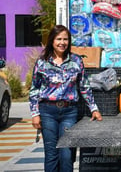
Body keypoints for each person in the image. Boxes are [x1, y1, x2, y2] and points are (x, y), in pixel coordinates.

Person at [29, 25, 102, 172]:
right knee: (51, 154)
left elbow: (84, 87)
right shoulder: (42, 62)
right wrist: (35, 114)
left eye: (65, 39)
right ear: (52, 41)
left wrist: (94, 109)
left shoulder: (76, 61)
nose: (62, 42)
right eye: (58, 39)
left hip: (69, 112)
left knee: (67, 153)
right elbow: (34, 89)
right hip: (47, 112)